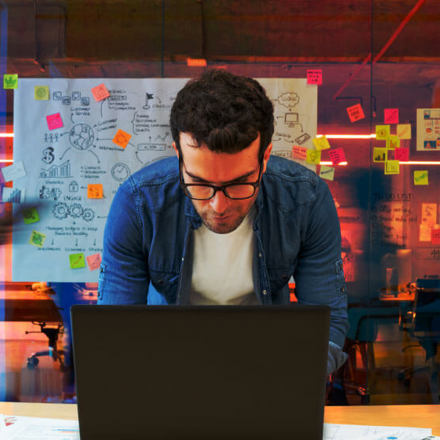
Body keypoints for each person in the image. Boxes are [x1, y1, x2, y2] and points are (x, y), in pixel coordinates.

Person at [98, 69, 348, 374]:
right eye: (200, 183)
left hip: (271, 367)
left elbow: (327, 325)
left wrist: (294, 382)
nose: (219, 205)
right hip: (168, 366)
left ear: (265, 157)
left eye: (239, 183)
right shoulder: (138, 202)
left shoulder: (306, 199)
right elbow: (116, 331)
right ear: (178, 155)